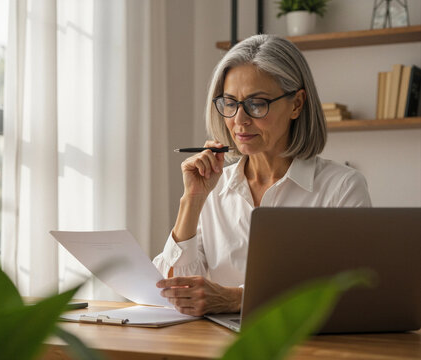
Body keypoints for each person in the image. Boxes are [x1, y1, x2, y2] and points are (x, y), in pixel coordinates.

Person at [153, 34, 371, 317]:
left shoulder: (342, 187)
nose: (239, 120)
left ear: (296, 104)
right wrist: (192, 200)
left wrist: (237, 299)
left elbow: (353, 292)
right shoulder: (213, 189)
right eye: (230, 103)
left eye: (257, 104)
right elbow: (171, 292)